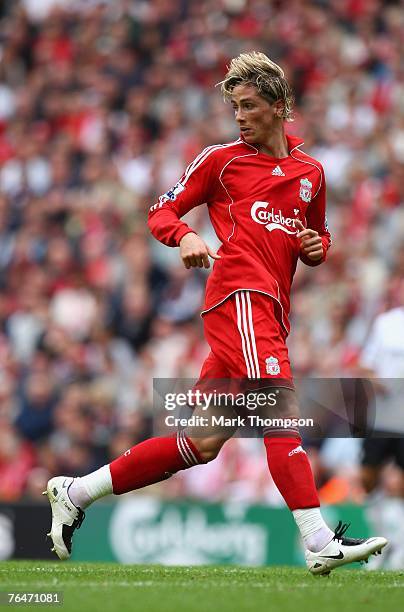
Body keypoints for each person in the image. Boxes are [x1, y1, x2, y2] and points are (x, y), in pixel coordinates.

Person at [44, 52, 387, 575]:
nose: (241, 116)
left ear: (279, 106)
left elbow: (316, 237)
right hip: (239, 298)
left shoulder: (311, 174)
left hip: (271, 308)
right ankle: (318, 539)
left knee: (200, 443)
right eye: (235, 108)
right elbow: (161, 210)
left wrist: (317, 247)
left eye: (250, 106)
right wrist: (183, 235)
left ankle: (77, 492)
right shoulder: (220, 160)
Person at [358, 280, 404, 568]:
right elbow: (365, 365)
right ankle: (383, 538)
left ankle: (398, 545)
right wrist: (381, 384)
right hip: (384, 414)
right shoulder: (386, 323)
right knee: (367, 477)